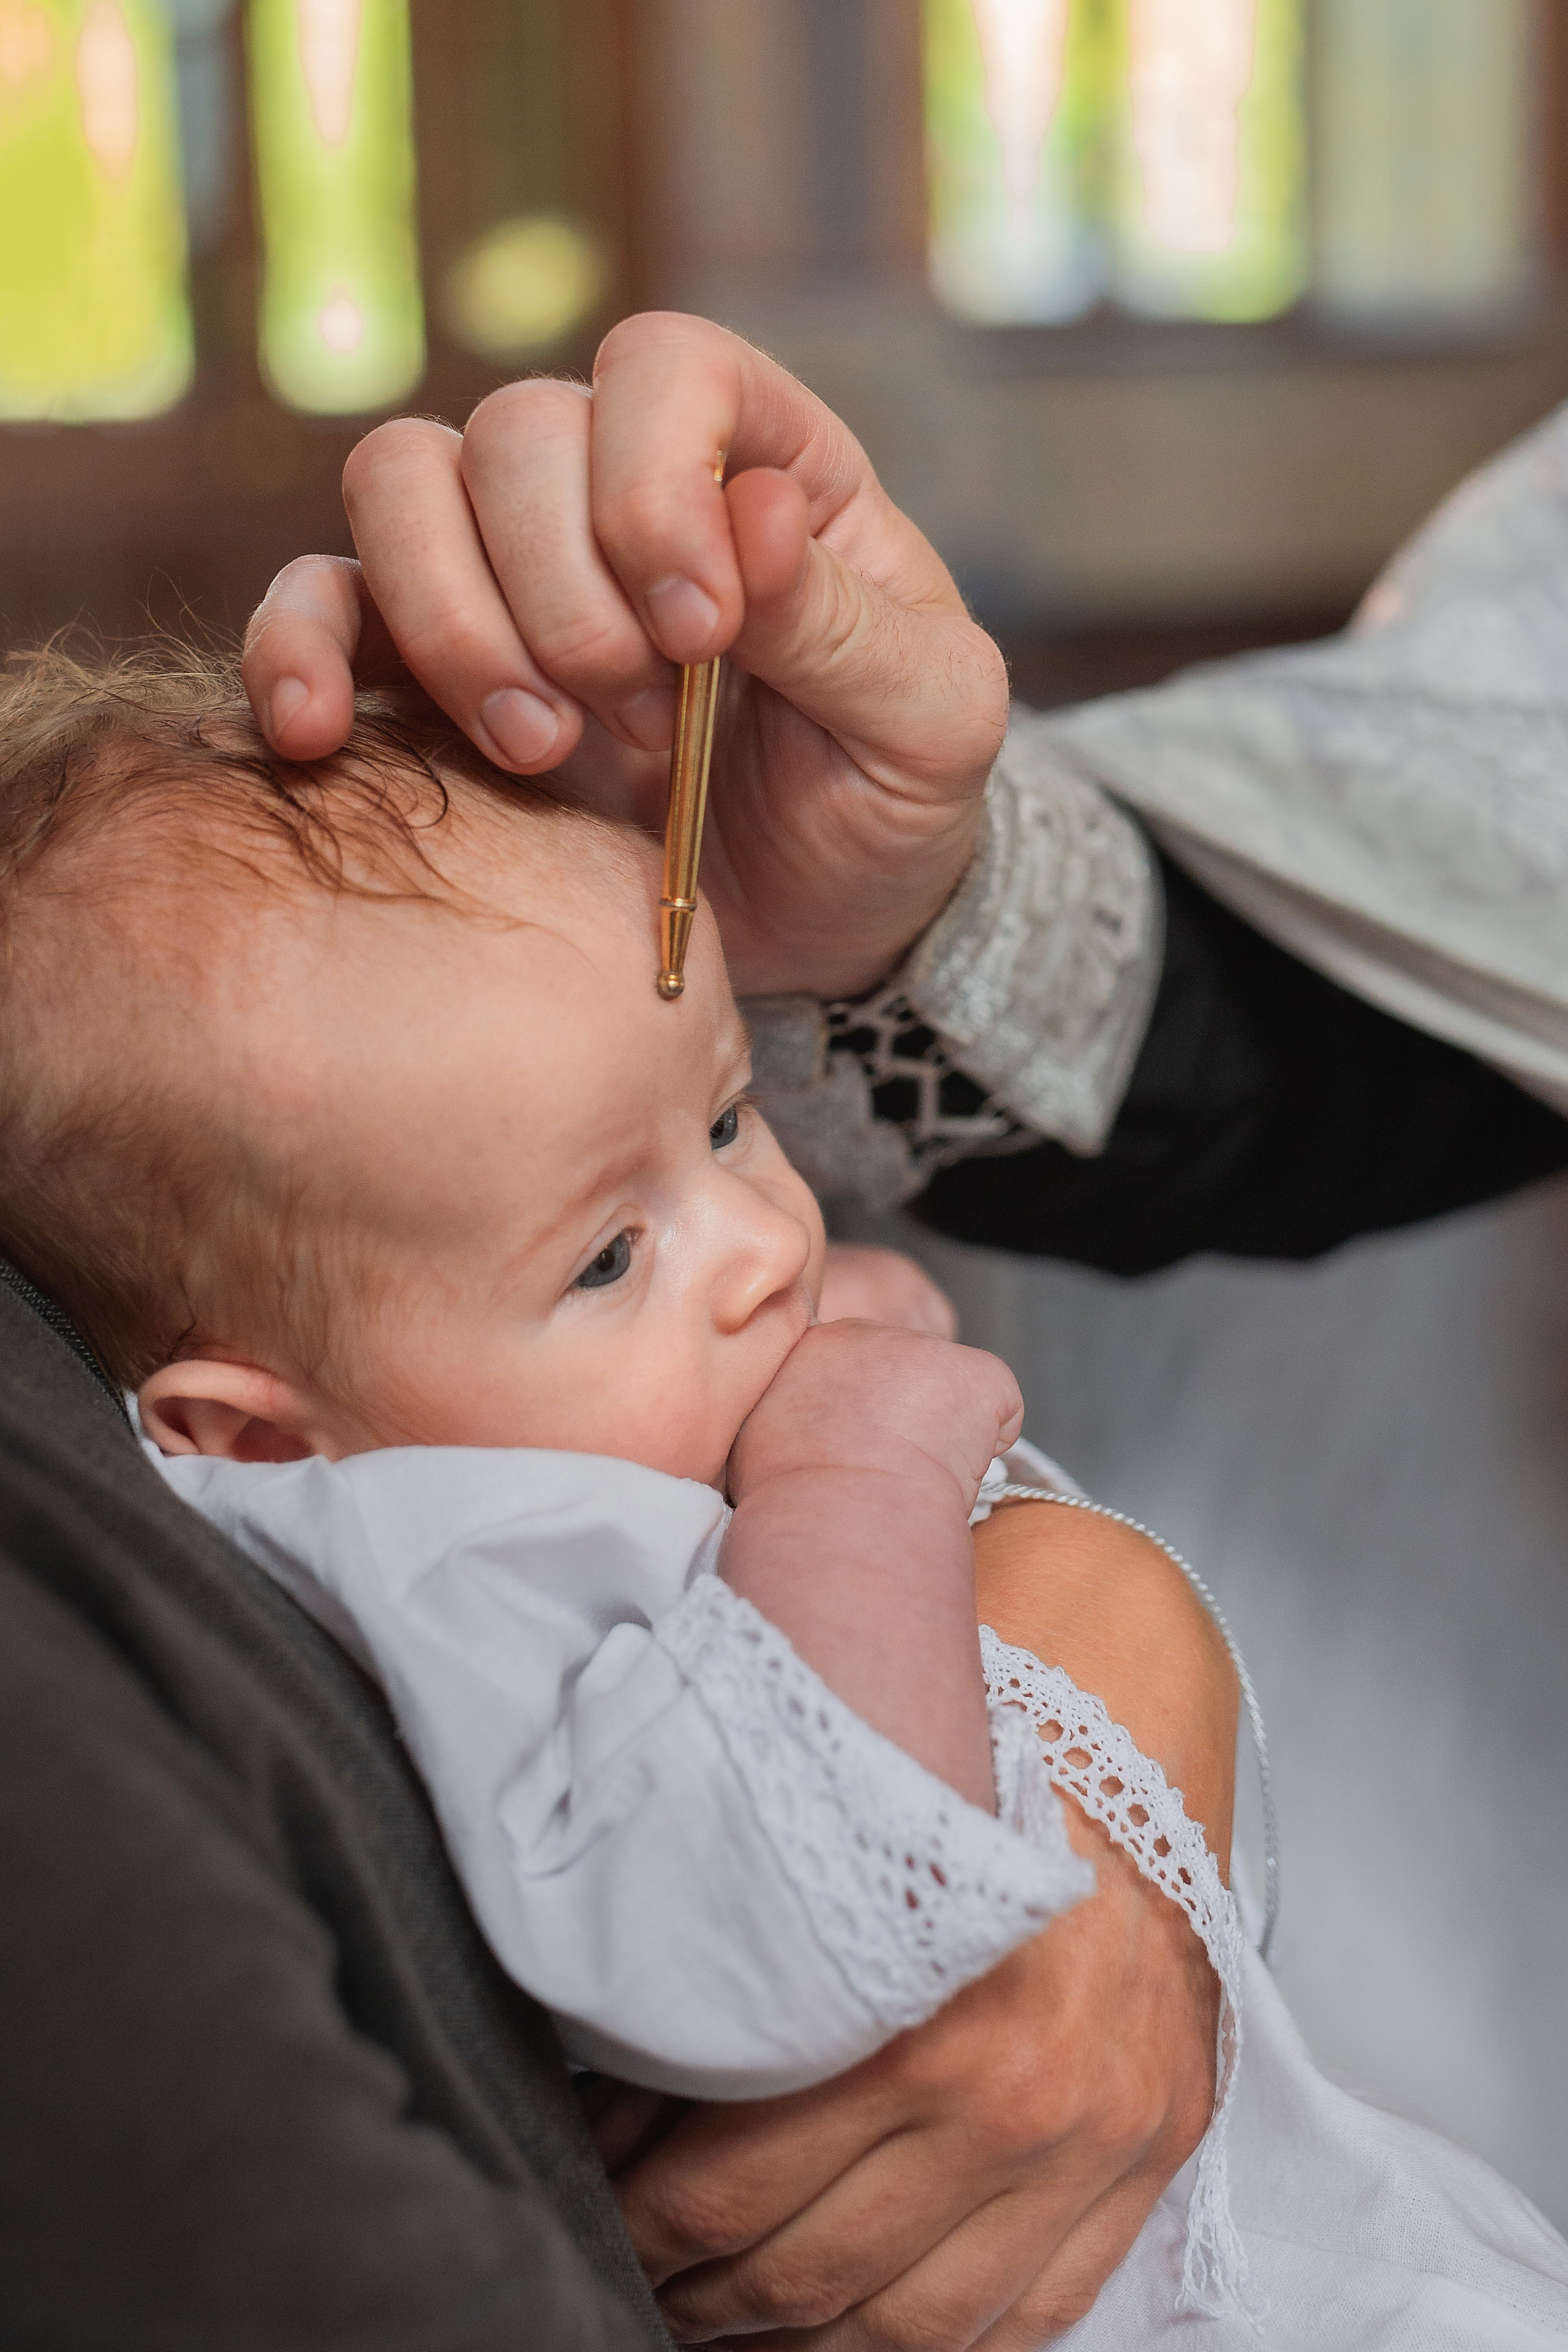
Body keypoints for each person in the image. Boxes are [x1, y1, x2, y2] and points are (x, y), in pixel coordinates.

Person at [5, 649, 1566, 2346]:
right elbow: (826, 1905)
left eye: (732, 1118)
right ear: (251, 1437)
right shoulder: (455, 1556)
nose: (765, 1250)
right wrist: (860, 1463)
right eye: (609, 1254)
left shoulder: (458, 1431)